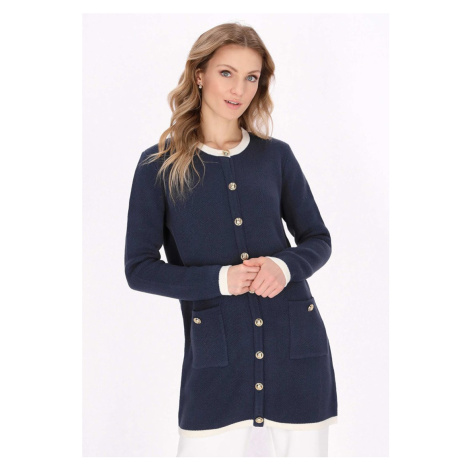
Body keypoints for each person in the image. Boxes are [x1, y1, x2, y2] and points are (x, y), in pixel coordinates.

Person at [124, 22, 338, 457]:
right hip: (216, 360)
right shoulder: (158, 165)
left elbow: (317, 238)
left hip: (297, 351)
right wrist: (220, 280)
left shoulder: (276, 156)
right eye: (226, 72)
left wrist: (284, 267)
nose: (239, 89)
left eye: (251, 77)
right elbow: (138, 269)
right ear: (199, 74)